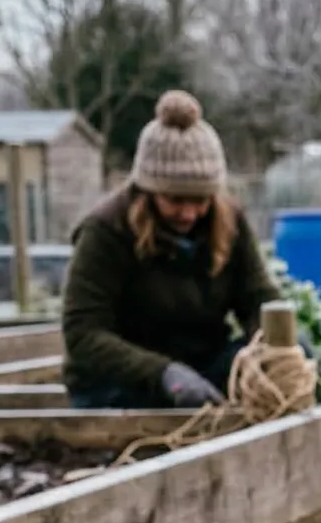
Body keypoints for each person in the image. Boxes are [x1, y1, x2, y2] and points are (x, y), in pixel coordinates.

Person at [63, 90, 282, 408]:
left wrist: (267, 348)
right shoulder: (106, 230)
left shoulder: (229, 220)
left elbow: (260, 298)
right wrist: (163, 373)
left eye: (201, 200)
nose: (189, 213)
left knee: (291, 347)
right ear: (148, 192)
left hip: (202, 369)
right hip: (119, 384)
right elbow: (83, 333)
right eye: (175, 200)